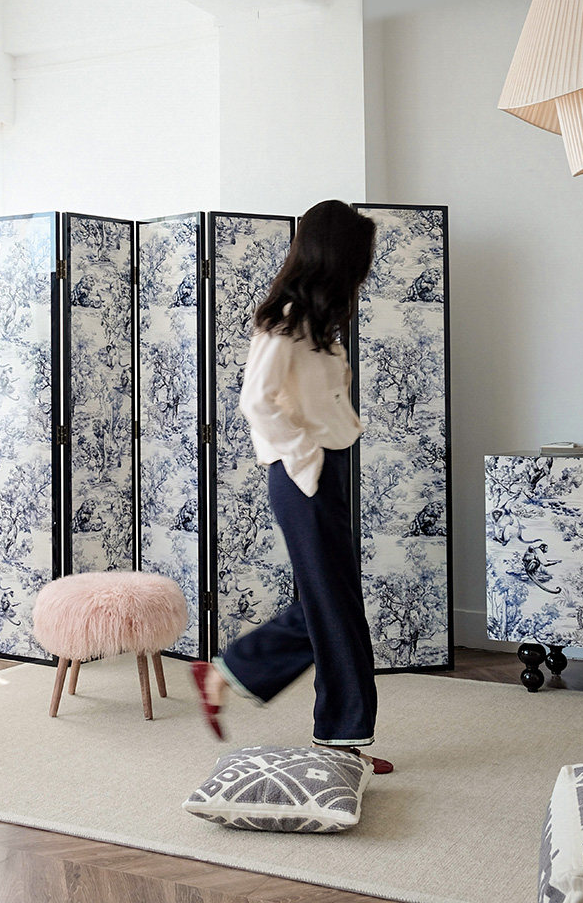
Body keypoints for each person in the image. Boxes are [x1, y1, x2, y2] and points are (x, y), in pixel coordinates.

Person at [191, 199, 392, 774]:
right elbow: (256, 401)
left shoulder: (317, 320)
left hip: (327, 468)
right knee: (333, 605)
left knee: (332, 603)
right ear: (335, 255)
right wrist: (305, 458)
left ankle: (324, 728)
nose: (363, 268)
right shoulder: (286, 317)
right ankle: (335, 738)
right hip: (304, 474)